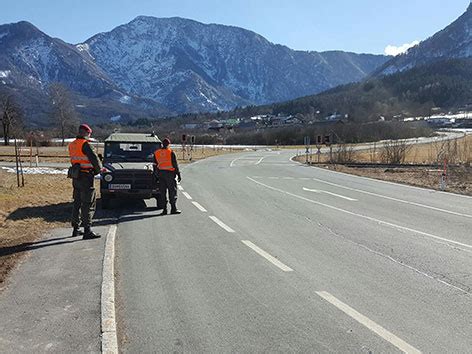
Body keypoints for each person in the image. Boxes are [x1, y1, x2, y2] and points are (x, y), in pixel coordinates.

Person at [68, 123, 102, 239]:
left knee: (77, 202)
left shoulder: (72, 145)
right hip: (86, 177)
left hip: (76, 176)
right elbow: (95, 160)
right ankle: (87, 230)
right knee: (88, 203)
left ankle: (75, 229)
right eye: (89, 134)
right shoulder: (86, 145)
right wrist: (99, 171)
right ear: (86, 133)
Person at [153, 138, 182, 215]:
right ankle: (173, 208)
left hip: (160, 174)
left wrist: (155, 175)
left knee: (162, 192)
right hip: (170, 174)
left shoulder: (156, 153)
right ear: (168, 144)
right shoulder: (171, 152)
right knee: (172, 191)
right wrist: (178, 174)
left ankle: (164, 210)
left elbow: (155, 165)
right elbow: (175, 164)